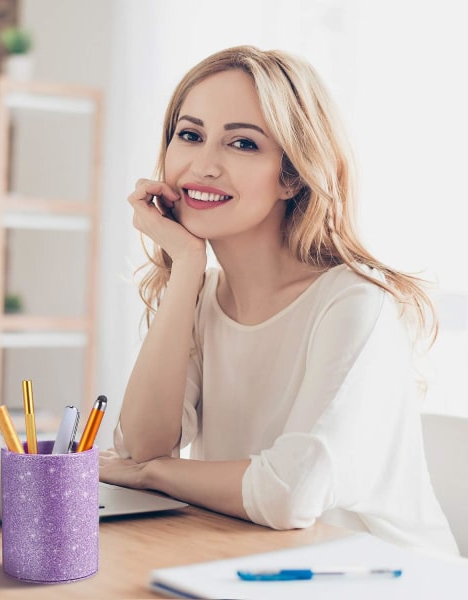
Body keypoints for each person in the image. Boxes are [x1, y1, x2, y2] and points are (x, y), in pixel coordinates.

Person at [99, 45, 458, 556]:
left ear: (291, 175)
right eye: (190, 135)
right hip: (255, 562)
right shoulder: (201, 297)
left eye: (241, 144)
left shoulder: (356, 303)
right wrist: (185, 270)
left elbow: (292, 494)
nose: (204, 165)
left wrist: (155, 473)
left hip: (383, 577)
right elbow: (140, 446)